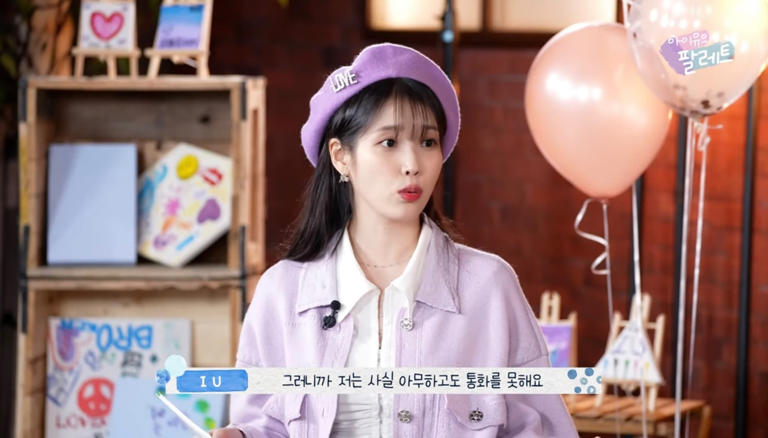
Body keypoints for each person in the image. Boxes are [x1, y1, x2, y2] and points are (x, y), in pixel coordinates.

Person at [211, 43, 577, 437]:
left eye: (428, 142)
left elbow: (544, 430)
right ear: (341, 157)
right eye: (389, 142)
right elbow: (261, 423)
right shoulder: (281, 292)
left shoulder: (489, 286)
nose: (412, 165)